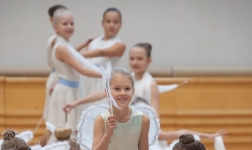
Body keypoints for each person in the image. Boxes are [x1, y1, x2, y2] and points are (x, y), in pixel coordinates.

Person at [62, 43, 227, 142]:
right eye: (132, 58)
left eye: (139, 58)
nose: (134, 62)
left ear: (149, 61)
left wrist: (207, 135)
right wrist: (76, 102)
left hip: (142, 130)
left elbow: (155, 115)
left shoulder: (151, 85)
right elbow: (103, 93)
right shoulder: (126, 80)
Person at [46, 9, 102, 142]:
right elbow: (81, 70)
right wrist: (106, 75)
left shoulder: (66, 44)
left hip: (71, 90)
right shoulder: (60, 47)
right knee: (63, 131)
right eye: (65, 24)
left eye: (72, 23)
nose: (69, 27)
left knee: (73, 130)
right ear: (55, 27)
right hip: (65, 92)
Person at [76, 7, 126, 108]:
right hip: (85, 78)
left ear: (120, 24)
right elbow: (83, 61)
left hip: (100, 81)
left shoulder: (119, 45)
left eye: (115, 22)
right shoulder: (94, 41)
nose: (111, 25)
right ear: (102, 23)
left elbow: (101, 52)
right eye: (108, 21)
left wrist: (76, 55)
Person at [39, 4, 69, 146]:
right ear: (52, 20)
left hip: (61, 79)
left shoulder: (60, 39)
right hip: (59, 79)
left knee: (56, 124)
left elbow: (72, 55)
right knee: (54, 125)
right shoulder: (56, 40)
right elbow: (69, 58)